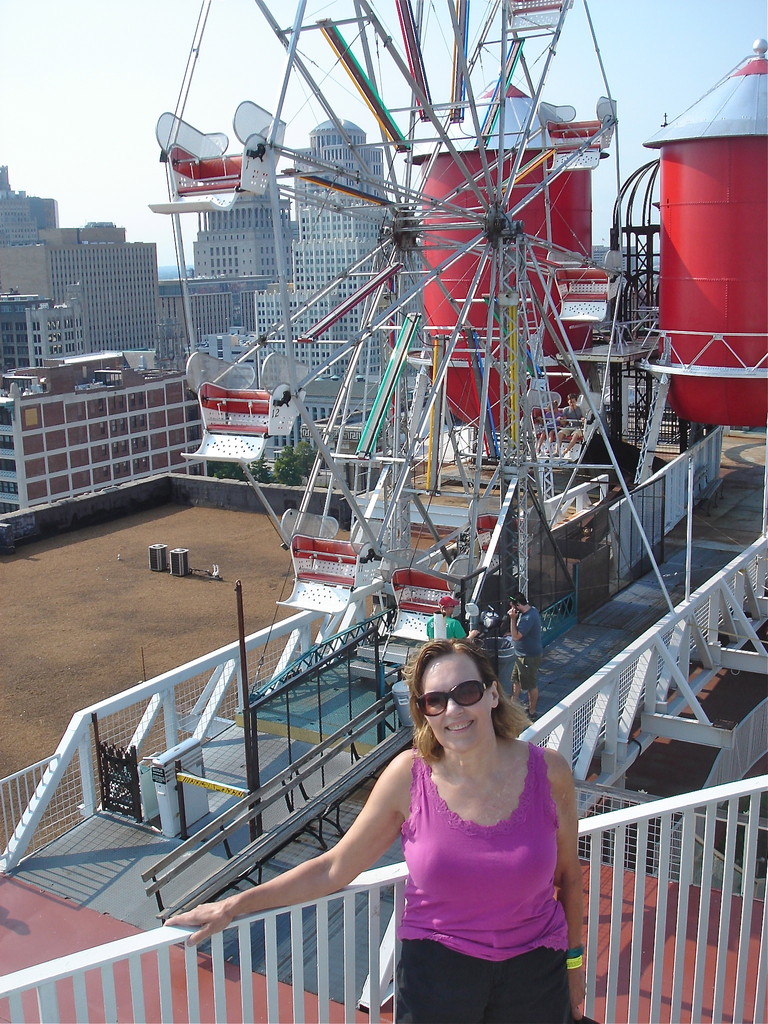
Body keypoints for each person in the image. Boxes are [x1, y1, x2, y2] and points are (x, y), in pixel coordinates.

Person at [166, 638, 585, 1024]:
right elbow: (334, 867)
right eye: (435, 701)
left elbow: (568, 878)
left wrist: (574, 965)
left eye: (467, 693)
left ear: (493, 694)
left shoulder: (548, 773)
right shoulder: (409, 777)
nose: (453, 711)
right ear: (424, 712)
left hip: (535, 973)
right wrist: (236, 905)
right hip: (438, 977)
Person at [507, 590, 543, 719]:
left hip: (528, 657)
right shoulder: (531, 610)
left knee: (530, 685)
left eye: (512, 606)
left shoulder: (528, 618)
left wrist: (512, 619)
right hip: (521, 654)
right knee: (516, 681)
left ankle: (532, 711)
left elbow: (516, 636)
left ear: (517, 606)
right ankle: (513, 705)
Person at [557, 393, 585, 458]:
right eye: (570, 402)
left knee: (575, 435)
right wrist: (561, 420)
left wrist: (583, 419)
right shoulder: (566, 410)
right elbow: (564, 423)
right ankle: (557, 451)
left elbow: (583, 417)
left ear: (576, 402)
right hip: (569, 427)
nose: (572, 404)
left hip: (578, 427)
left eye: (573, 402)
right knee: (560, 434)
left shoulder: (580, 409)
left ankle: (566, 451)